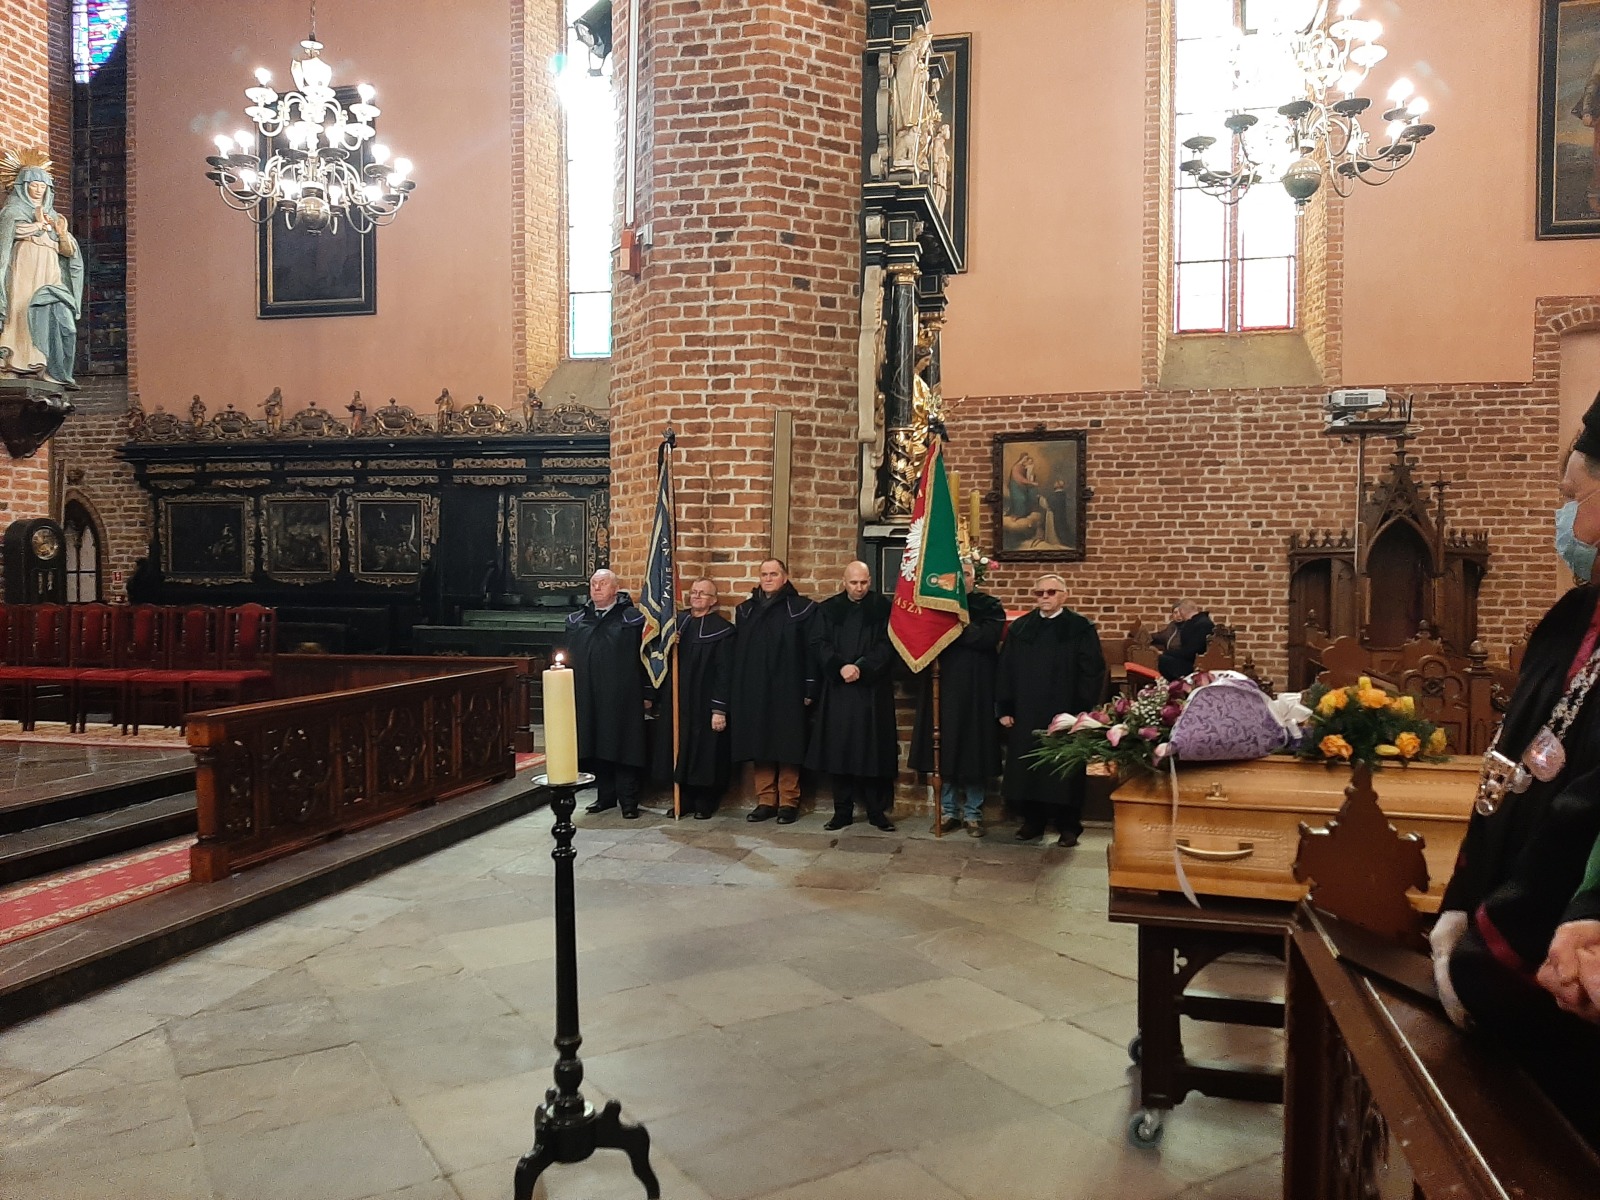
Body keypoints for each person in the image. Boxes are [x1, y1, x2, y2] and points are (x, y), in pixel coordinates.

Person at [1430, 404, 1600, 1145]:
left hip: (1562, 963)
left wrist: (1490, 948)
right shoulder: (1569, 619)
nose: (1565, 519)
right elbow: (1508, 774)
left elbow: (1582, 812)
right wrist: (1461, 903)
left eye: (1572, 496)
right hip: (1506, 920)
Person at [996, 574, 1106, 846]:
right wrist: (1005, 707)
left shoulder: (1080, 628)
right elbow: (1006, 669)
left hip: (1066, 711)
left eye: (1051, 592)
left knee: (1064, 769)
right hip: (1027, 709)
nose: (1045, 597)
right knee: (1029, 768)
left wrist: (1083, 711)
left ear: (1064, 595)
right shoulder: (1021, 628)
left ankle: (1068, 825)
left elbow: (1092, 671)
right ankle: (1033, 821)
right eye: (1040, 593)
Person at [910, 559, 1004, 836]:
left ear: (975, 578)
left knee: (975, 751)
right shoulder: (937, 606)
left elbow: (985, 638)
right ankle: (949, 811)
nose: (963, 580)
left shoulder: (989, 606)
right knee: (944, 750)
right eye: (958, 575)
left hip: (977, 689)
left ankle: (973, 814)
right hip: (943, 687)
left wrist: (955, 624)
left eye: (967, 574)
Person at [807, 561, 900, 831]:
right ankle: (842, 811)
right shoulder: (828, 609)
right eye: (853, 583)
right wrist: (840, 667)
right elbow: (819, 643)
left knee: (873, 751)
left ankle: (876, 811)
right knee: (840, 750)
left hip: (872, 691)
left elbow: (889, 643)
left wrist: (862, 667)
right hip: (839, 691)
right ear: (844, 582)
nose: (859, 588)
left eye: (864, 582)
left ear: (870, 580)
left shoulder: (883, 608)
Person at [729, 558, 816, 824]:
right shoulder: (746, 611)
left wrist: (810, 686)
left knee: (788, 743)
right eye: (764, 574)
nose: (768, 579)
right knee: (760, 742)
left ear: (785, 577)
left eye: (774, 574)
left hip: (789, 686)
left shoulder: (802, 609)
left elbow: (811, 651)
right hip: (755, 687)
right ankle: (765, 800)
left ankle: (789, 800)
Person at [563, 569, 650, 819]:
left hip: (623, 697)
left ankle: (629, 801)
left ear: (615, 589)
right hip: (588, 695)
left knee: (623, 746)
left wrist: (648, 692)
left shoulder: (632, 619)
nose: (597, 588)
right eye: (593, 583)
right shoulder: (578, 620)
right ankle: (605, 796)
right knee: (598, 745)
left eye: (602, 583)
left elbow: (644, 658)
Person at [651, 577, 735, 819]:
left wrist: (719, 709)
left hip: (705, 701)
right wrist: (669, 645)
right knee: (680, 746)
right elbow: (659, 660)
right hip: (679, 699)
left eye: (703, 593)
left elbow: (725, 672)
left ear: (713, 600)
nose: (697, 596)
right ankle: (684, 798)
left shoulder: (723, 631)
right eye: (694, 592)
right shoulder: (679, 624)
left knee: (705, 750)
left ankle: (705, 800)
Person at [0, 159, 82, 388]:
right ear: (23, 187)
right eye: (33, 185)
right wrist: (38, 226)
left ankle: (44, 364)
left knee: (49, 312)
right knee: (20, 311)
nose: (38, 190)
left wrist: (61, 234)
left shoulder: (55, 218)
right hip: (23, 268)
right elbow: (8, 236)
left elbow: (68, 251)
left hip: (49, 272)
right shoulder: (12, 212)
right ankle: (14, 364)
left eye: (43, 185)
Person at [1152, 599, 1215, 680]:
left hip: (1195, 664)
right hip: (1196, 660)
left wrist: (1166, 653)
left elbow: (1191, 652)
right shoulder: (1202, 622)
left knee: (1163, 660)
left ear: (1182, 611)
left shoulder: (1196, 625)